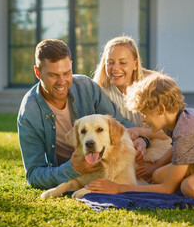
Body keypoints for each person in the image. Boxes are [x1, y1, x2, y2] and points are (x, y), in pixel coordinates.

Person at [17, 39, 148, 190]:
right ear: (38, 73)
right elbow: (34, 175)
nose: (62, 82)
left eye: (67, 73)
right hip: (70, 173)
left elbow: (120, 123)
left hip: (103, 165)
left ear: (71, 66)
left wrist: (143, 139)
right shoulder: (29, 114)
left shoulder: (86, 86)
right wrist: (73, 168)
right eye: (54, 75)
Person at [92, 36, 172, 181]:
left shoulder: (154, 85)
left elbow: (169, 131)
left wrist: (143, 137)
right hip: (124, 148)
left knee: (158, 174)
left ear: (135, 64)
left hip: (159, 144)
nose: (115, 68)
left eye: (122, 62)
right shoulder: (100, 92)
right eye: (110, 63)